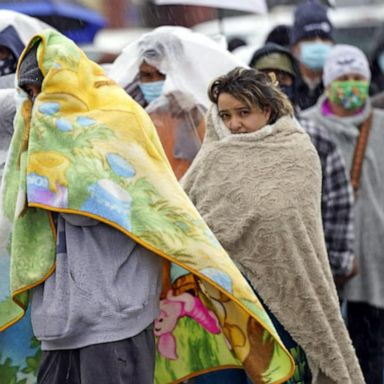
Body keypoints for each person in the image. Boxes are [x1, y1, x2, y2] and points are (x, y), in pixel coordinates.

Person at [0, 29, 297, 384]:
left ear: (67, 83)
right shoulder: (34, 134)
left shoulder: (116, 122)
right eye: (29, 94)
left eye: (42, 91)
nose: (36, 102)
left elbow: (114, 207)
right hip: (57, 321)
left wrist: (52, 168)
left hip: (113, 318)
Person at [181, 67, 364, 383]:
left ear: (266, 110)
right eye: (225, 116)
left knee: (279, 375)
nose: (234, 124)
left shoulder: (296, 151)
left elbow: (288, 221)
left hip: (281, 297)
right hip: (222, 299)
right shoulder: (213, 157)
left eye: (243, 113)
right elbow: (186, 215)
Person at [302, 44, 384, 384]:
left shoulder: (381, 126)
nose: (350, 85)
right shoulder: (306, 129)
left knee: (373, 357)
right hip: (327, 263)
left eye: (357, 78)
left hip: (376, 263)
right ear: (328, 82)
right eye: (343, 78)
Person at [250, 44, 356, 289]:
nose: (274, 83)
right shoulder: (235, 138)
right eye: (264, 77)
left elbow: (338, 205)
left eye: (283, 76)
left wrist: (331, 270)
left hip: (312, 274)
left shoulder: (316, 137)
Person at [108, 26, 243, 180]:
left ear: (177, 72)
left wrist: (194, 116)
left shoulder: (198, 109)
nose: (154, 81)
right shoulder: (124, 105)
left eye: (161, 74)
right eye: (146, 75)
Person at [290, 0, 334, 111]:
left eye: (324, 38)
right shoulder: (286, 84)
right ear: (295, 48)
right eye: (309, 39)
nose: (318, 43)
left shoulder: (340, 83)